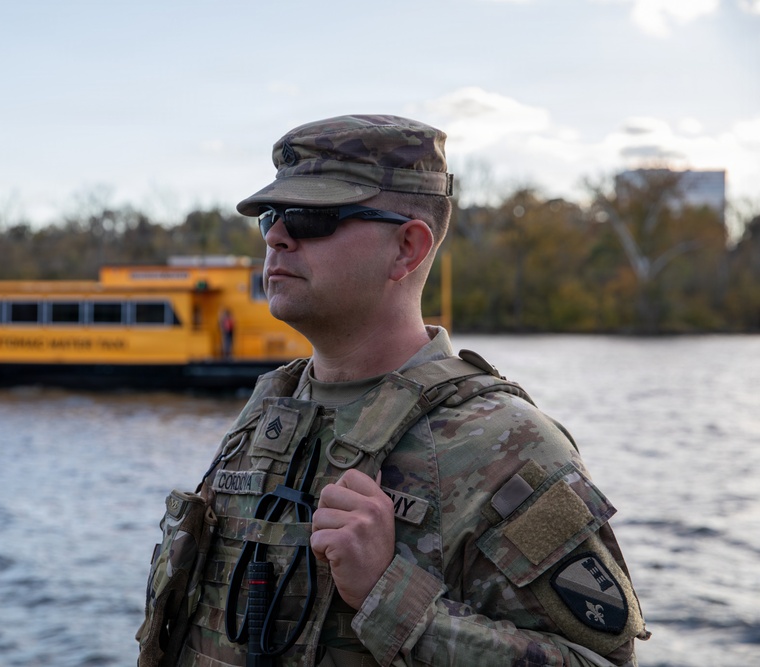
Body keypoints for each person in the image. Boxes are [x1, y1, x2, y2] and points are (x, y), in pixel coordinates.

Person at [138, 115, 649, 666]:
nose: (277, 237)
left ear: (406, 248)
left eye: (312, 217)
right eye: (270, 217)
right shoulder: (270, 413)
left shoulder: (506, 445)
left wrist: (391, 597)